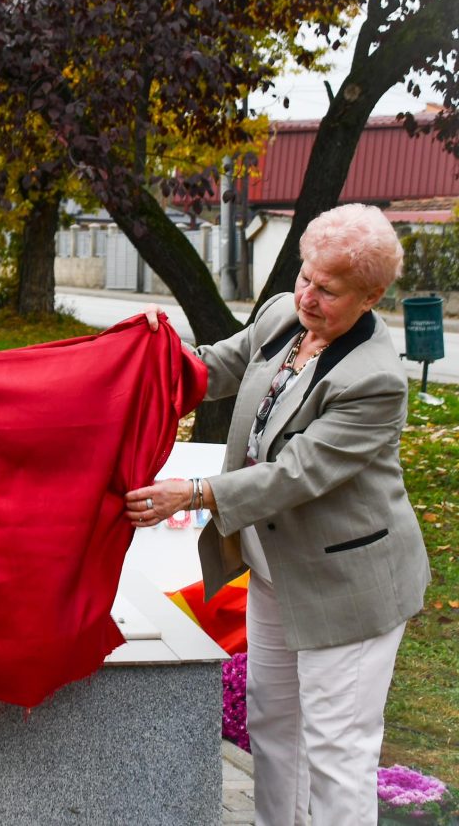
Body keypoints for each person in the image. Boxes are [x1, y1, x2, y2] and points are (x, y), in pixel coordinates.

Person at [125, 204, 430, 826]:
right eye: (306, 278)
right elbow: (214, 367)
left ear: (372, 296)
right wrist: (145, 355)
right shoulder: (283, 315)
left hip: (347, 586)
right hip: (275, 569)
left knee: (337, 750)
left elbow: (298, 475)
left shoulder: (374, 382)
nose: (308, 298)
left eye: (329, 290)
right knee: (272, 726)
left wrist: (195, 493)